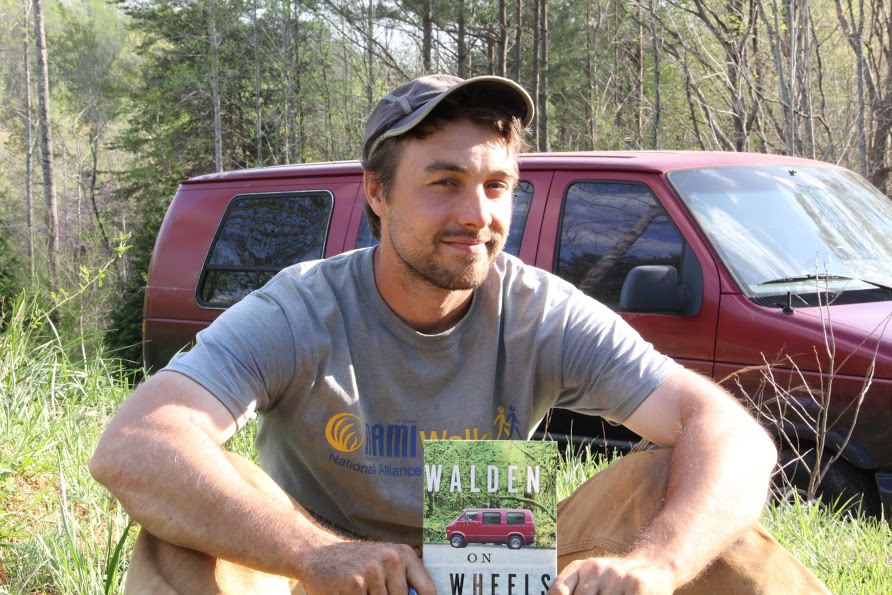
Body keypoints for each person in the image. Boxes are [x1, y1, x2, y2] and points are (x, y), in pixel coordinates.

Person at [90, 74, 828, 594]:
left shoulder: (541, 309)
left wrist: (659, 563)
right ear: (377, 194)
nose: (478, 213)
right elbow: (137, 442)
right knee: (177, 535)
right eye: (444, 182)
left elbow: (731, 432)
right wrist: (318, 552)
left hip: (490, 562)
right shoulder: (300, 308)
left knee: (676, 488)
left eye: (498, 185)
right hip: (323, 578)